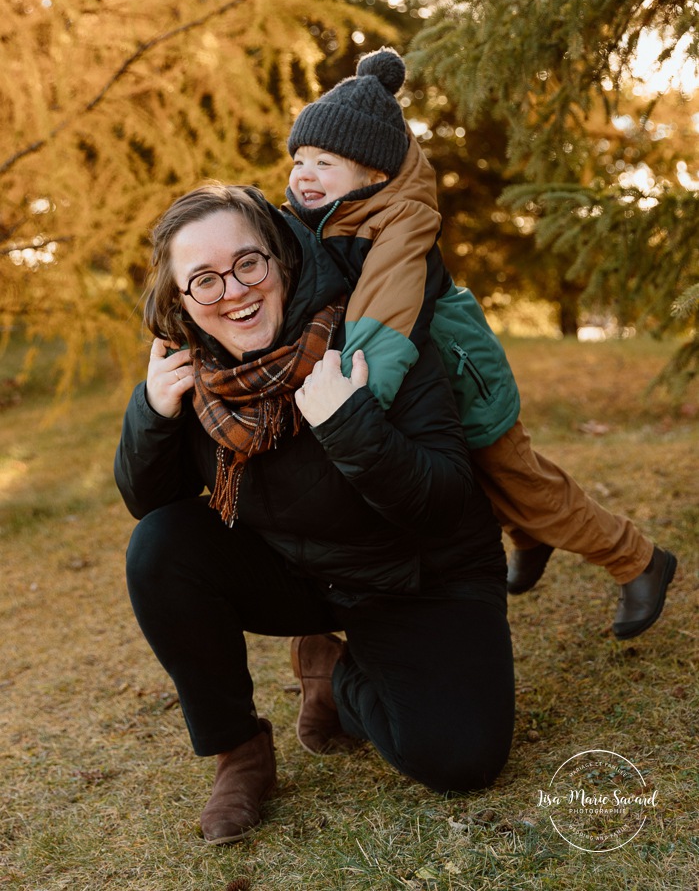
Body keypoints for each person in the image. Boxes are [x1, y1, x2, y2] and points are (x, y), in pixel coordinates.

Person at [115, 183, 515, 845]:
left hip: (418, 571)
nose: (234, 291)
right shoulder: (197, 370)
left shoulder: (371, 329)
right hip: (299, 568)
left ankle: (336, 678)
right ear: (182, 300)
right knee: (159, 545)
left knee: (460, 760)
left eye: (248, 264)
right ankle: (239, 752)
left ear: (280, 258)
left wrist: (351, 426)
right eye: (204, 280)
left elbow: (447, 500)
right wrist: (150, 413)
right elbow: (151, 506)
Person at [285, 47, 677, 641]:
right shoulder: (331, 217)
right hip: (431, 379)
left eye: (324, 161)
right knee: (474, 478)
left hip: (460, 373)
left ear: (373, 173)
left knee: (522, 481)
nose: (304, 174)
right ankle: (530, 537)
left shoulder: (398, 222)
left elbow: (382, 317)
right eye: (298, 159)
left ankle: (638, 560)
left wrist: (361, 405)